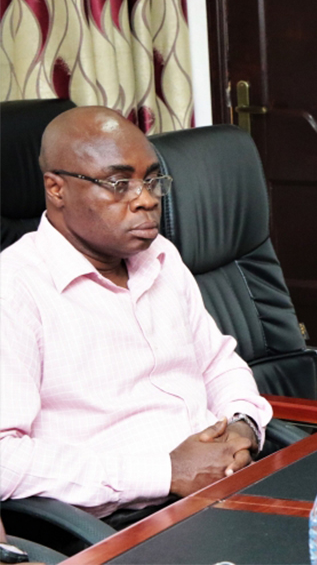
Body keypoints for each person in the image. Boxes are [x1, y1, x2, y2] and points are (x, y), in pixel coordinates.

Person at [0, 107, 272, 521]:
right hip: (125, 521)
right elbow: (5, 459)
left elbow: (218, 364)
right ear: (56, 189)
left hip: (224, 485)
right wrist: (165, 472)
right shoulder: (15, 289)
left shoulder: (161, 256)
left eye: (152, 180)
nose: (146, 199)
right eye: (119, 184)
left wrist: (242, 425)